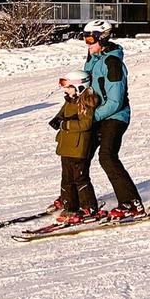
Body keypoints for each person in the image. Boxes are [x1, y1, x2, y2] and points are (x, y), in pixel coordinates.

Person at [81, 19, 146, 220]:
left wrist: (91, 117)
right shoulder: (93, 59)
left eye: (90, 39)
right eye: (85, 39)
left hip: (116, 116)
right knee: (79, 154)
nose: (87, 43)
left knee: (107, 156)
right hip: (98, 115)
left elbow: (116, 101)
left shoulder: (113, 62)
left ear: (103, 38)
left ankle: (131, 203)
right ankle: (78, 200)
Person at [47, 70, 102, 223]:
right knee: (67, 178)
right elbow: (62, 113)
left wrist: (66, 124)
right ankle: (70, 206)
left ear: (80, 87)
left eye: (68, 87)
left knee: (80, 178)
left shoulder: (86, 102)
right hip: (66, 146)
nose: (65, 90)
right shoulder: (70, 100)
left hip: (79, 147)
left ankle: (89, 207)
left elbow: (86, 124)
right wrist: (57, 120)